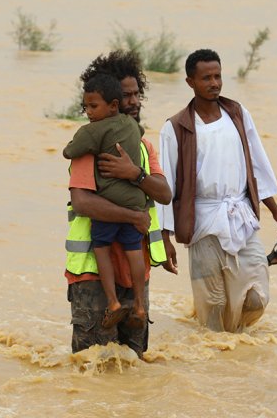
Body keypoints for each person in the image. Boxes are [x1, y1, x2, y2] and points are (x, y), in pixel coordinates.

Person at [158, 48, 277, 333]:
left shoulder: (237, 114)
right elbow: (167, 188)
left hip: (241, 216)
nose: (214, 83)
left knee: (256, 298)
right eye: (206, 78)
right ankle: (220, 360)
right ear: (190, 82)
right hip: (202, 221)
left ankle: (236, 339)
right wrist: (164, 238)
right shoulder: (175, 128)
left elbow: (258, 167)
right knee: (212, 305)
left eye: (218, 76)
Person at [65, 50, 173, 359]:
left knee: (135, 364)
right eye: (126, 96)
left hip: (136, 275)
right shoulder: (89, 146)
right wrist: (132, 216)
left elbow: (164, 194)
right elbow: (82, 202)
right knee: (91, 369)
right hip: (93, 277)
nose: (135, 101)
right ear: (111, 101)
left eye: (137, 94)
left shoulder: (143, 145)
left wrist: (134, 174)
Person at [63, 73, 149, 329]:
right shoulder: (134, 127)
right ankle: (140, 305)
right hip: (135, 201)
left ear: (112, 105)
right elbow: (140, 132)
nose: (88, 112)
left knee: (101, 247)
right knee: (134, 250)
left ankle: (112, 302)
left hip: (109, 204)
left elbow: (69, 151)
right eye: (86, 106)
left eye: (92, 106)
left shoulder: (92, 131)